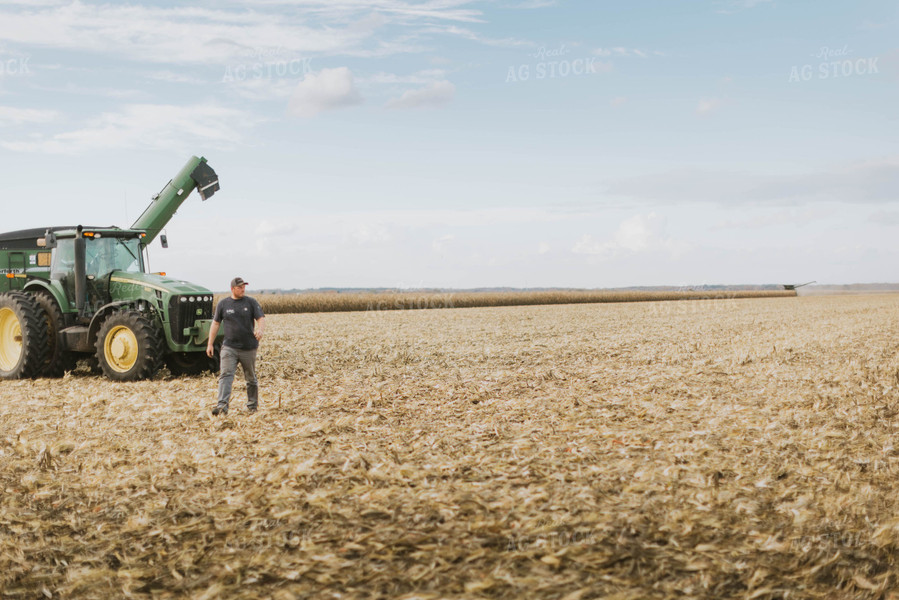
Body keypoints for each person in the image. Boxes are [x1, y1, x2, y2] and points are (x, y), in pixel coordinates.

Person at [207, 277, 266, 415]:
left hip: (248, 348)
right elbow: (215, 324)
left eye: (244, 286)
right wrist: (210, 343)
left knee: (250, 378)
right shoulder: (223, 304)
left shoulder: (251, 302)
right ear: (232, 289)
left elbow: (261, 318)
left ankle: (252, 406)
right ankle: (222, 406)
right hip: (229, 347)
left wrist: (260, 330)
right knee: (226, 375)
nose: (243, 289)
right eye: (240, 287)